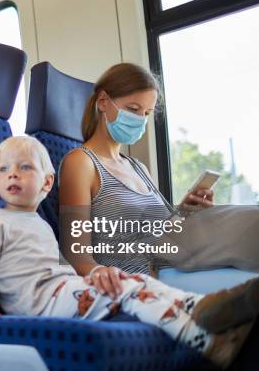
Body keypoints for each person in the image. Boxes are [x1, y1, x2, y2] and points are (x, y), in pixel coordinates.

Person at [0, 136, 259, 369]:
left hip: (64, 291)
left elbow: (60, 268)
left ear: (46, 183)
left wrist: (95, 275)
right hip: (41, 304)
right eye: (3, 170)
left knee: (134, 279)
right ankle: (204, 341)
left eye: (23, 167)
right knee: (125, 290)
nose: (12, 174)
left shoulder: (40, 224)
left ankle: (202, 306)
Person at [58, 62, 211, 277]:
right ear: (103, 102)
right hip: (142, 283)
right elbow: (77, 255)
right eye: (133, 109)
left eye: (146, 113)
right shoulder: (81, 163)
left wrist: (185, 212)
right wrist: (117, 283)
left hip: (176, 268)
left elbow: (160, 238)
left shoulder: (139, 168)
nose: (140, 120)